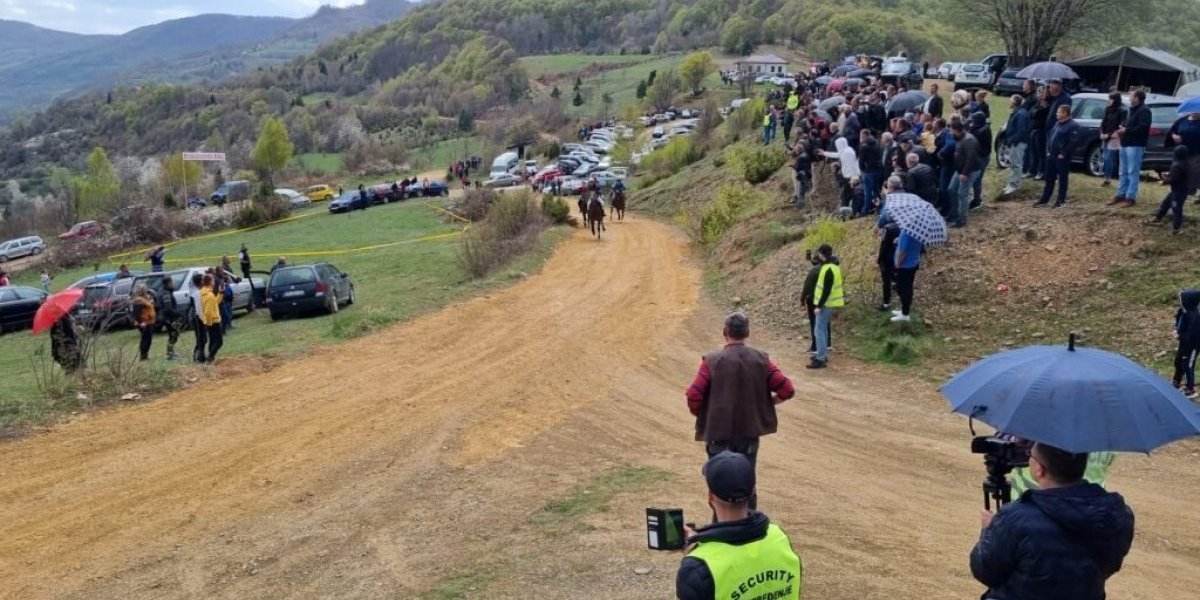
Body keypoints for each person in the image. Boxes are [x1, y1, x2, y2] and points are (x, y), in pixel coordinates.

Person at [970, 442, 1134, 600]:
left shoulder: (1018, 518)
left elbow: (986, 570)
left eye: (1031, 456)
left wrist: (988, 531)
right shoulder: (1117, 514)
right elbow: (1110, 565)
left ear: (1039, 469)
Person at [685, 312, 794, 508]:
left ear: (724, 332)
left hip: (719, 435)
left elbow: (694, 394)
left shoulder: (712, 361)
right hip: (748, 435)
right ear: (748, 333)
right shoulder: (761, 360)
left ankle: (721, 525)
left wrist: (702, 413)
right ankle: (749, 525)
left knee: (719, 484)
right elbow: (787, 389)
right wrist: (770, 402)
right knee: (746, 482)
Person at [675, 451, 803, 600]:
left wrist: (697, 559)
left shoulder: (696, 569)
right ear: (753, 491)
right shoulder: (779, 538)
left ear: (710, 497)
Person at [1034, 104, 1080, 209]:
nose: (1056, 113)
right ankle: (1044, 199)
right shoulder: (1058, 123)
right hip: (1051, 155)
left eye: (1059, 112)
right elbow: (1051, 137)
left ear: (1065, 113)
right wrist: (1049, 151)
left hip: (1062, 158)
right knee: (1049, 178)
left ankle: (1061, 200)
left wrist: (1064, 153)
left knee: (1062, 179)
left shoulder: (1073, 126)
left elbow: (1073, 142)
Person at [808, 244, 842, 369]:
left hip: (826, 304)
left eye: (819, 254)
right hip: (829, 303)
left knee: (819, 330)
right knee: (823, 329)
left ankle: (820, 358)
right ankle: (822, 354)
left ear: (822, 254)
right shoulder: (833, 266)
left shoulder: (828, 269)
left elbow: (826, 290)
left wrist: (819, 306)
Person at [1116, 90, 1151, 206]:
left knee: (1132, 171)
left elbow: (1143, 127)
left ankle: (1130, 197)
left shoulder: (1145, 110)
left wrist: (1127, 130)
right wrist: (1123, 127)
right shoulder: (1131, 110)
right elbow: (1130, 124)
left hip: (1136, 144)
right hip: (1125, 142)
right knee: (1123, 171)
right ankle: (1121, 194)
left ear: (1137, 98)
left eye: (1131, 96)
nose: (1130, 99)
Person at [875, 178, 902, 313]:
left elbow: (884, 216)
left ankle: (886, 302)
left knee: (886, 266)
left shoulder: (891, 201)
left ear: (890, 187)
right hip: (902, 237)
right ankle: (896, 283)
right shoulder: (907, 198)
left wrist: (877, 226)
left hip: (890, 236)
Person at [948, 120, 981, 227]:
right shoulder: (959, 138)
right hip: (959, 170)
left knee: (962, 193)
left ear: (955, 129)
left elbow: (971, 158)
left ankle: (962, 219)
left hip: (969, 171)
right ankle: (955, 213)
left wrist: (965, 173)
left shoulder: (969, 140)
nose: (950, 132)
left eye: (951, 129)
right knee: (952, 189)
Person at [891, 225, 923, 323]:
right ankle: (904, 310)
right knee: (907, 287)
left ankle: (905, 314)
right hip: (914, 262)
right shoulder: (918, 229)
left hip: (905, 266)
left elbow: (903, 252)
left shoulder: (907, 231)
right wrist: (899, 239)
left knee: (903, 288)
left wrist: (898, 264)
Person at [800, 251, 831, 354]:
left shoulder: (815, 270)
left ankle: (815, 347)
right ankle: (827, 345)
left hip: (814, 300)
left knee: (815, 324)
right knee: (825, 323)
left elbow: (807, 285)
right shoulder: (831, 268)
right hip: (827, 299)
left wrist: (802, 299)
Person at [1172, 289, 1200, 398]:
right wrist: (1176, 329)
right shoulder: (1183, 311)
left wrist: (1179, 336)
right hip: (1184, 343)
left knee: (1188, 365)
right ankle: (1176, 381)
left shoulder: (1195, 317)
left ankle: (1191, 389)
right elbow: (1178, 321)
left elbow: (1193, 334)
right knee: (1178, 361)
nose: (1180, 301)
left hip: (1193, 345)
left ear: (1188, 301)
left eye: (1181, 299)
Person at [1002, 95, 1031, 196]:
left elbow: (1022, 131)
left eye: (1011, 100)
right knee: (1013, 163)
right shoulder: (1017, 112)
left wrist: (1012, 140)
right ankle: (1011, 183)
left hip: (1018, 143)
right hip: (1015, 142)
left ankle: (1014, 185)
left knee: (1017, 164)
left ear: (1015, 102)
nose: (1009, 102)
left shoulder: (1021, 114)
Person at [1099, 93, 1126, 191]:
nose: (1109, 101)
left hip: (1114, 137)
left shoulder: (1122, 110)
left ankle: (1108, 178)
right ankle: (1106, 177)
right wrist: (1101, 133)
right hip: (1105, 135)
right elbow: (1103, 122)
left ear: (1116, 100)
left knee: (1108, 158)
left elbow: (1120, 125)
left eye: (1111, 99)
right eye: (1109, 99)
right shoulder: (1107, 109)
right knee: (1104, 157)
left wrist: (1109, 135)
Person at [968, 111, 991, 209]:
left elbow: (972, 134)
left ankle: (977, 200)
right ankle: (976, 197)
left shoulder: (981, 131)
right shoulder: (985, 127)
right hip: (983, 156)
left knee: (977, 179)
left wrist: (970, 127)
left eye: (973, 121)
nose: (971, 123)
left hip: (982, 157)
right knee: (977, 179)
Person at [199, 274, 224, 365]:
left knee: (212, 341)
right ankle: (209, 358)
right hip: (213, 321)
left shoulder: (204, 293)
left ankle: (211, 359)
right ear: (210, 282)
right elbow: (208, 311)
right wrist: (209, 323)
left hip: (209, 321)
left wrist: (220, 293)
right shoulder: (209, 295)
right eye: (213, 280)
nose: (214, 282)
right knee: (219, 342)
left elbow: (215, 303)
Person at [158, 276, 184, 361]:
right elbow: (168, 308)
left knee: (173, 335)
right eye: (171, 282)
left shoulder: (164, 291)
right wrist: (178, 314)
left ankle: (171, 352)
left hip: (168, 317)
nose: (173, 284)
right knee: (173, 336)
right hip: (169, 318)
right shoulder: (166, 293)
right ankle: (170, 354)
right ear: (168, 283)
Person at [858, 131, 884, 212]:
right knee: (876, 189)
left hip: (868, 171)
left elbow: (861, 161)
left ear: (864, 136)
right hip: (877, 170)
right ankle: (880, 205)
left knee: (868, 191)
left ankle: (866, 209)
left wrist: (863, 169)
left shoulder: (864, 146)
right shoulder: (877, 143)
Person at [130, 285, 156, 362]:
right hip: (144, 323)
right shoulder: (138, 301)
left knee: (149, 339)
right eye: (144, 289)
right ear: (140, 291)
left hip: (149, 321)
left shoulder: (146, 298)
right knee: (145, 339)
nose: (146, 290)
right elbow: (136, 314)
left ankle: (145, 355)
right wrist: (140, 322)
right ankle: (143, 356)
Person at [188, 272, 207, 363]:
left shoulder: (199, 291)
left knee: (203, 338)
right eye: (203, 279)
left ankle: (201, 356)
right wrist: (203, 319)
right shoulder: (196, 293)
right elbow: (199, 308)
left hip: (199, 317)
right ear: (200, 282)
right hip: (197, 318)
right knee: (201, 338)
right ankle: (198, 357)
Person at [791, 142, 812, 209]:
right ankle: (802, 206)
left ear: (798, 150)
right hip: (807, 174)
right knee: (803, 191)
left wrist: (793, 166)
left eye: (796, 150)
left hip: (802, 175)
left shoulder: (799, 158)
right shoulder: (806, 155)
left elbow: (798, 168)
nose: (796, 151)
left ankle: (800, 207)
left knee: (800, 192)